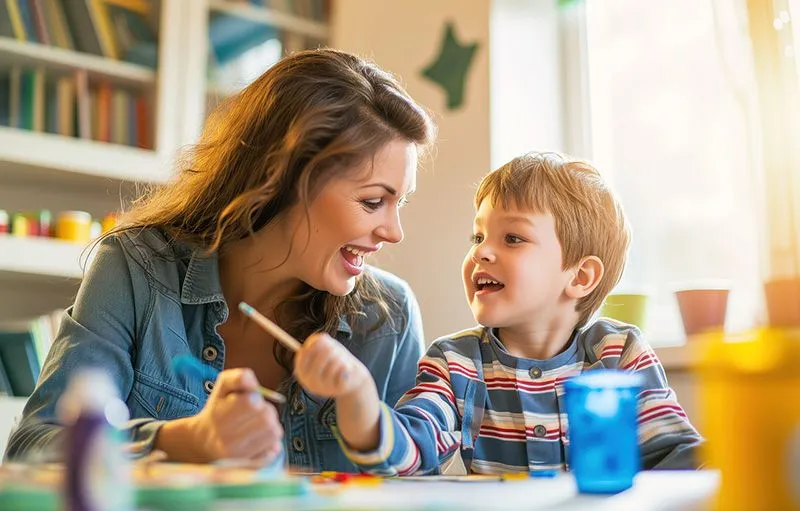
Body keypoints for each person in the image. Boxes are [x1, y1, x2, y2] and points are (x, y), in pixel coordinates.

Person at [6, 49, 436, 473]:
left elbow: (419, 495)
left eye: (401, 203)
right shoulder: (136, 269)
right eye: (373, 201)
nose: (393, 232)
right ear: (284, 179)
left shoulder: (387, 317)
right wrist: (187, 441)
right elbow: (35, 448)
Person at [293, 152, 703, 475]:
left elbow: (678, 457)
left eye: (513, 238)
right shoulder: (455, 363)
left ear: (580, 276)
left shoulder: (619, 354)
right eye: (478, 235)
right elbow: (413, 450)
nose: (482, 251)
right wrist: (358, 401)